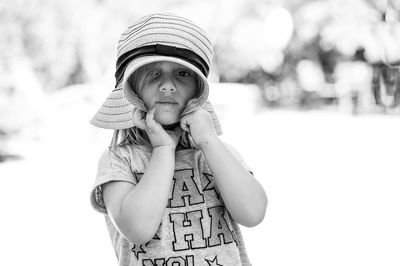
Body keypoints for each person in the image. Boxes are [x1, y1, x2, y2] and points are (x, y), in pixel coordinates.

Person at [90, 13, 267, 266]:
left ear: (197, 89)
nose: (167, 86)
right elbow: (138, 229)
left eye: (182, 73)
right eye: (152, 73)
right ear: (133, 90)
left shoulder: (215, 152)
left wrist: (208, 140)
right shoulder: (119, 160)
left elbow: (253, 213)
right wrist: (163, 149)